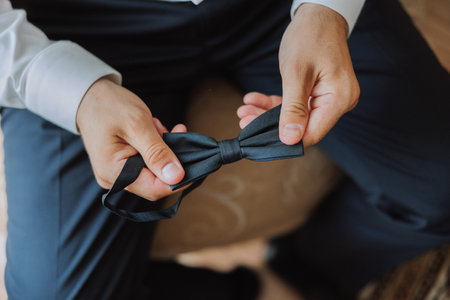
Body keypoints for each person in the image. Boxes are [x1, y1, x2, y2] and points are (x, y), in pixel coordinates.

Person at [1, 0, 449, 299]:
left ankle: (307, 268)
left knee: (442, 186)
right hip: (66, 28)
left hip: (280, 9)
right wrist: (75, 92)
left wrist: (327, 10)